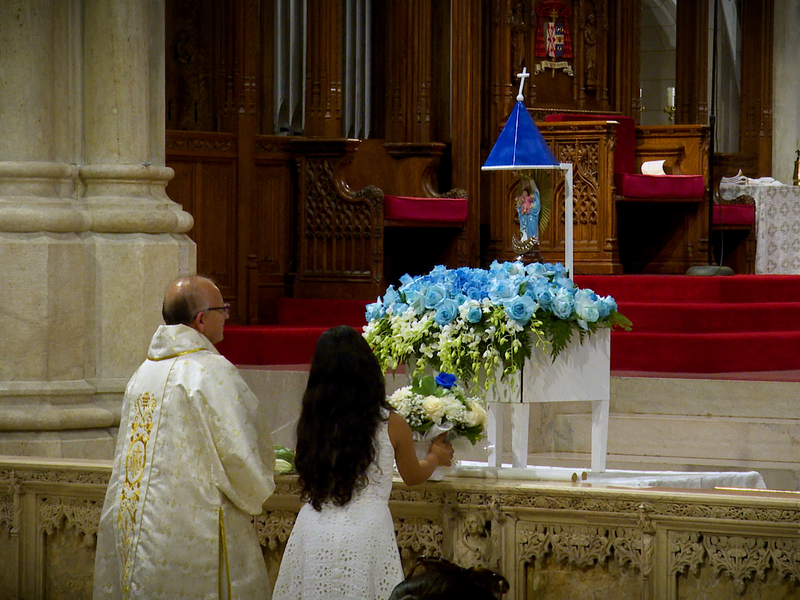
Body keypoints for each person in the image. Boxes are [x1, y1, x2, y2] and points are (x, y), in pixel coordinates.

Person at [93, 275, 276, 599]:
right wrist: (263, 485)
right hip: (195, 533)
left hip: (137, 529)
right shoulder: (211, 372)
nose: (227, 316)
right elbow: (242, 459)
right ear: (202, 320)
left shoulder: (142, 373)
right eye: (223, 309)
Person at [271, 325, 454, 600]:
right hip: (367, 533)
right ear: (368, 371)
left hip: (314, 529)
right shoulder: (389, 423)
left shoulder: (312, 423)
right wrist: (434, 457)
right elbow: (413, 475)